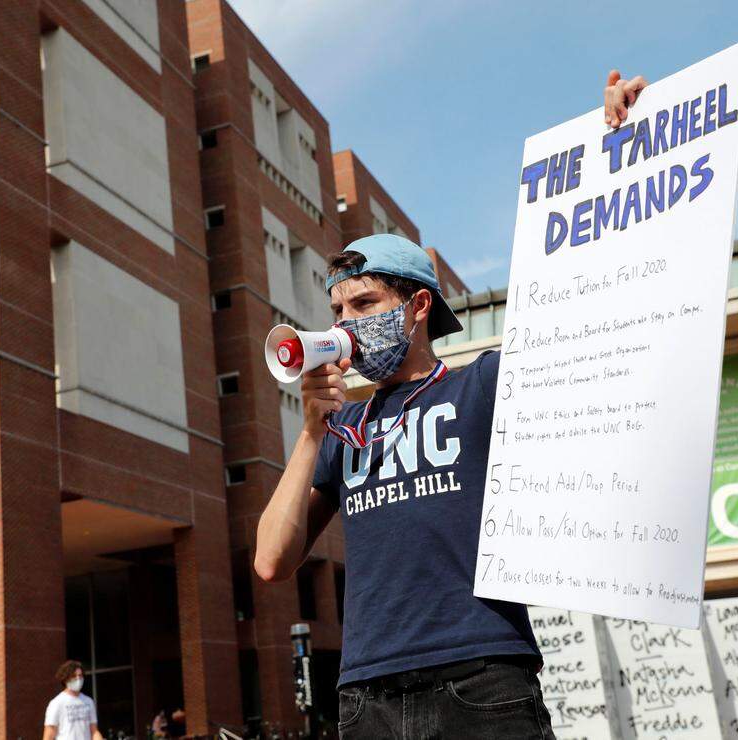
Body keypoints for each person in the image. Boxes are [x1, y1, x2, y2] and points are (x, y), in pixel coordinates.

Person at [253, 66, 648, 740]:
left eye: (365, 303)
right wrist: (313, 433)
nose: (346, 321)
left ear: (417, 307)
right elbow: (270, 560)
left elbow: (595, 309)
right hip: (367, 694)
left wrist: (616, 152)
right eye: (337, 308)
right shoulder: (343, 427)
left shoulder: (480, 387)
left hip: (480, 677)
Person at [43, 660, 103, 740]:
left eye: (80, 675)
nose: (78, 678)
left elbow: (94, 731)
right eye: (74, 676)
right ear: (66, 678)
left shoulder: (88, 702)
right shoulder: (56, 703)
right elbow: (49, 734)